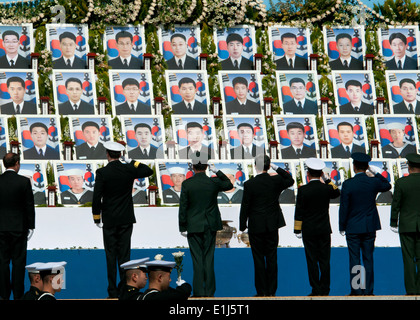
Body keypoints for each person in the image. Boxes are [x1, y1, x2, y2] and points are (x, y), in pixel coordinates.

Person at [92, 141, 154, 298]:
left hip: (110, 219)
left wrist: (97, 217)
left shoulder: (102, 172)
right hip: (126, 218)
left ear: (107, 154)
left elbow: (96, 197)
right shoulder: (128, 170)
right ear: (120, 155)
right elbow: (148, 171)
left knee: (110, 256)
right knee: (125, 256)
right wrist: (132, 161)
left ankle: (112, 291)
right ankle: (125, 289)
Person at [239, 154, 294, 296]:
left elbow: (245, 205)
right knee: (271, 257)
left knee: (258, 259)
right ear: (268, 166)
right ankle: (271, 291)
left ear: (254, 166)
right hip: (272, 224)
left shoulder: (249, 184)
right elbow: (290, 180)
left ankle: (261, 291)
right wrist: (277, 168)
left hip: (256, 225)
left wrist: (242, 224)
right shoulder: (275, 181)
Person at [178, 156, 233, 297]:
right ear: (207, 166)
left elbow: (183, 206)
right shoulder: (212, 182)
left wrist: (182, 226)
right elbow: (228, 184)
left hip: (194, 224)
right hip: (210, 224)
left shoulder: (187, 184)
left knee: (197, 259)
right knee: (208, 258)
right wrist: (218, 172)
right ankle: (209, 292)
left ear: (193, 167)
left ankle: (198, 291)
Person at [339, 152, 392, 295]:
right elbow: (387, 185)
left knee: (354, 259)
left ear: (354, 166)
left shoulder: (348, 184)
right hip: (369, 225)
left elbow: (344, 207)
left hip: (353, 226)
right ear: (367, 167)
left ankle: (356, 289)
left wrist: (342, 226)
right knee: (368, 258)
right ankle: (368, 290)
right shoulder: (373, 182)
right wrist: (376, 173)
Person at [294, 158, 340, 296]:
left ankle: (315, 288)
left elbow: (299, 211)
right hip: (324, 229)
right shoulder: (326, 189)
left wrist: (297, 229)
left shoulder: (303, 190)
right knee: (325, 260)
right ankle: (325, 289)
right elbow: (337, 192)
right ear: (321, 173)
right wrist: (327, 180)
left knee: (312, 260)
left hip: (308, 230)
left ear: (308, 174)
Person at [0, 153, 35, 300]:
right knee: (18, 263)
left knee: (2, 262)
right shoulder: (23, 182)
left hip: (0, 228)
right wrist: (31, 226)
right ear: (17, 164)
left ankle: (3, 295)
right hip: (19, 228)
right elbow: (29, 206)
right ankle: (18, 295)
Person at [390, 153, 420, 295]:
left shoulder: (402, 183)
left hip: (407, 225)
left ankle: (411, 290)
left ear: (409, 166)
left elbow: (396, 204)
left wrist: (393, 221)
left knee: (408, 259)